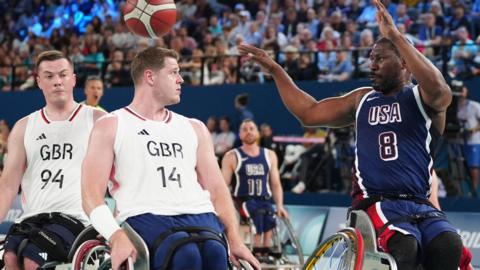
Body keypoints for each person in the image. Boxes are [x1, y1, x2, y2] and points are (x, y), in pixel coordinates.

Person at [238, 0, 463, 269]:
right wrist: (276, 70)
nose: (372, 65)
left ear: (404, 62)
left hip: (419, 203)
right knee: (405, 247)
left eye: (380, 58)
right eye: (371, 59)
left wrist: (396, 36)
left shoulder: (423, 98)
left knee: (449, 244)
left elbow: (439, 87)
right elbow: (308, 112)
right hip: (376, 203)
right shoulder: (361, 100)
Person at [81, 47, 260, 270]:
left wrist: (234, 237)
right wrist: (115, 235)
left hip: (200, 215)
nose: (181, 79)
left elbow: (217, 189)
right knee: (186, 256)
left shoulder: (194, 127)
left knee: (215, 253)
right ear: (150, 77)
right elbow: (90, 195)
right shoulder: (111, 124)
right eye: (174, 72)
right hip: (145, 215)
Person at [0, 50, 106, 269]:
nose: (57, 81)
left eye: (63, 75)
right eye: (49, 76)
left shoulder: (98, 120)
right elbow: (8, 186)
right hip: (34, 219)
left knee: (32, 261)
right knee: (9, 258)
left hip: (77, 219)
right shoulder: (23, 127)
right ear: (38, 82)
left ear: (73, 79)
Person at [221, 119, 288, 259]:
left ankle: (267, 250)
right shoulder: (232, 156)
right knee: (256, 212)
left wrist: (280, 206)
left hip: (264, 198)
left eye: (252, 128)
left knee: (270, 212)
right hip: (243, 200)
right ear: (239, 134)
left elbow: (275, 183)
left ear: (258, 133)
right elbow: (222, 185)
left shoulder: (269, 155)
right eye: (245, 129)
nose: (249, 132)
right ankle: (256, 251)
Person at [457, 84, 480, 196]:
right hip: (461, 141)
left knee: (473, 166)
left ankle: (474, 191)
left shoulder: (475, 106)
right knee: (462, 167)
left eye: (462, 91)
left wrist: (472, 130)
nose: (460, 93)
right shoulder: (455, 107)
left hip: (474, 141)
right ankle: (465, 191)